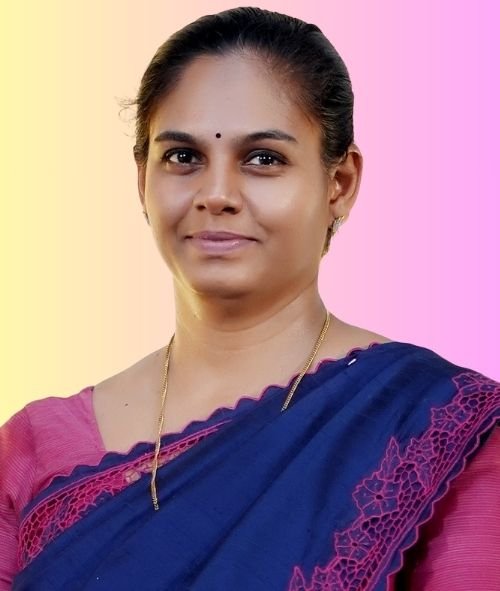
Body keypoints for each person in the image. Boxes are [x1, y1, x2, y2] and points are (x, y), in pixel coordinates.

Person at [1, 6, 499, 590]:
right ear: (142, 181)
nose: (216, 194)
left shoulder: (435, 423)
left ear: (339, 183)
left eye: (264, 158)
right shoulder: (36, 447)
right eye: (183, 157)